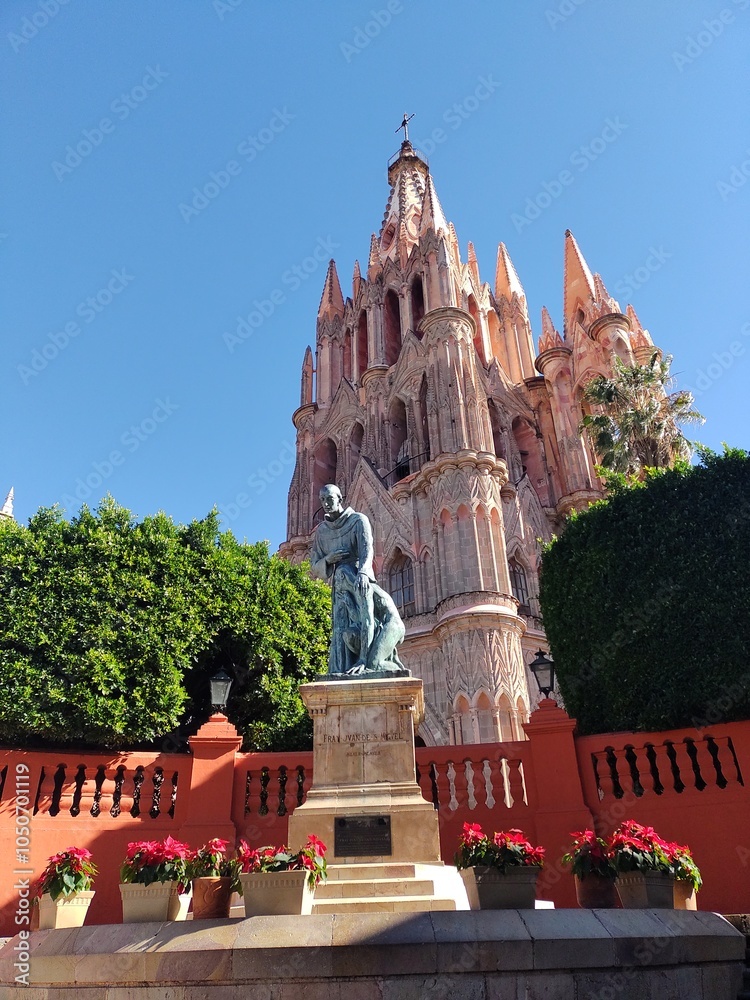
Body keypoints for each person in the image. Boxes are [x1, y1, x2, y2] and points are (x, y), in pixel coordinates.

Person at [310, 484, 408, 677]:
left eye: (330, 499)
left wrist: (363, 572)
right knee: (341, 628)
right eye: (322, 501)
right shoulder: (322, 532)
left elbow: (367, 619)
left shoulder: (357, 521)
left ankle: (392, 670)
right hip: (347, 578)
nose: (326, 504)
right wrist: (329, 560)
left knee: (374, 665)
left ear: (340, 498)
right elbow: (315, 566)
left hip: (390, 624)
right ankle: (342, 669)